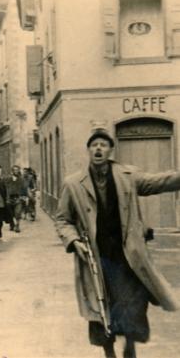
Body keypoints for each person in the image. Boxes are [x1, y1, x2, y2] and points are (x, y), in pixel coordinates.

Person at [56, 128, 179, 358]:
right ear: (89, 150)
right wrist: (74, 241)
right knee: (101, 307)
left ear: (111, 150)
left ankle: (130, 345)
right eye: (94, 145)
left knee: (134, 303)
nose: (98, 149)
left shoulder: (127, 176)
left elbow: (158, 182)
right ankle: (108, 351)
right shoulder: (73, 184)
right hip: (97, 257)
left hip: (128, 257)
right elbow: (62, 219)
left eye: (103, 144)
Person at [4, 165, 24, 232]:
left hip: (18, 198)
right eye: (14, 170)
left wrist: (23, 196)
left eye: (17, 170)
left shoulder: (21, 179)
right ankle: (12, 224)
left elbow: (24, 188)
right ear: (12, 171)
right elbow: (5, 188)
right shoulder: (8, 179)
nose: (16, 171)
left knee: (17, 212)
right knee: (10, 213)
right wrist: (6, 198)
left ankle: (17, 225)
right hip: (9, 199)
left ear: (19, 171)